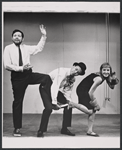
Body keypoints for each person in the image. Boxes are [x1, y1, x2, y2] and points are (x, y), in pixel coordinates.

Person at [3, 25, 54, 137]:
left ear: (22, 39)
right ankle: (17, 128)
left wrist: (44, 35)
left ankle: (50, 103)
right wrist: (21, 68)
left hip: (28, 74)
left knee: (46, 78)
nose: (17, 37)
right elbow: (6, 65)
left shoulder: (26, 48)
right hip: (17, 77)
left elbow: (38, 48)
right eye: (15, 35)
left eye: (19, 36)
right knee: (18, 102)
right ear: (12, 38)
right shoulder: (8, 48)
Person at [69, 62, 119, 136]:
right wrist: (96, 104)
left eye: (108, 70)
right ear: (101, 70)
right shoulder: (99, 78)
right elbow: (90, 93)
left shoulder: (105, 76)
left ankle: (89, 131)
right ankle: (72, 104)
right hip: (83, 90)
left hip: (84, 89)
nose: (106, 72)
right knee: (90, 111)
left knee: (93, 111)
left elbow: (111, 87)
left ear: (110, 71)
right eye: (104, 70)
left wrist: (113, 80)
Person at [46, 62, 87, 136]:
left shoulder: (72, 78)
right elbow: (55, 86)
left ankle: (64, 129)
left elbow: (67, 91)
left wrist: (68, 101)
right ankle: (42, 129)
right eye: (76, 69)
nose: (75, 72)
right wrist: (54, 102)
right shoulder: (62, 72)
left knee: (69, 105)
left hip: (54, 90)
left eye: (78, 73)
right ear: (73, 66)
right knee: (48, 108)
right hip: (46, 88)